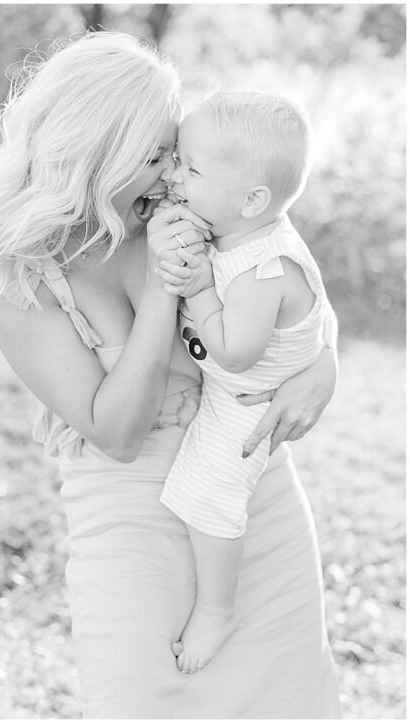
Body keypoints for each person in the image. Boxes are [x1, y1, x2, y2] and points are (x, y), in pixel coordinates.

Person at [0, 32, 342, 717]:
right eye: (155, 156)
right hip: (130, 520)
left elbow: (288, 282)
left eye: (174, 154)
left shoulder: (193, 208)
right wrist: (164, 286)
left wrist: (322, 365)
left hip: (253, 498)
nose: (170, 174)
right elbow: (117, 432)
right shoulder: (18, 274)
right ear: (99, 154)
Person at [150, 91, 331, 674]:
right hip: (243, 379)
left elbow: (233, 354)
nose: (175, 175)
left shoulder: (260, 270)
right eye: (177, 159)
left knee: (210, 496)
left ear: (252, 200)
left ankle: (216, 609)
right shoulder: (239, 224)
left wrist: (200, 288)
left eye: (190, 169)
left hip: (246, 396)